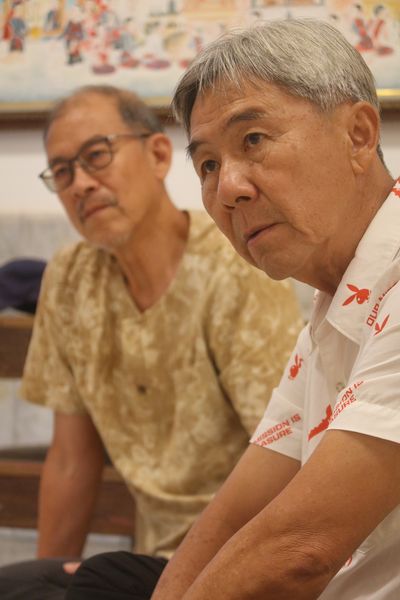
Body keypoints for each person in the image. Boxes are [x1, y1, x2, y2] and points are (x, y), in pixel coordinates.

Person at [64, 18, 400, 600]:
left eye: (254, 141)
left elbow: (300, 549)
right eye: (208, 166)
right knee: (93, 580)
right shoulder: (332, 302)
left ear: (358, 135)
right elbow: (237, 509)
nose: (228, 190)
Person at [0, 84, 302, 599]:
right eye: (63, 172)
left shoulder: (233, 268)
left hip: (243, 559)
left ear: (159, 154)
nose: (81, 184)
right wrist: (48, 577)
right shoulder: (70, 278)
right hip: (148, 564)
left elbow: (286, 455)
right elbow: (72, 459)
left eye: (97, 156)